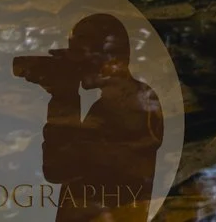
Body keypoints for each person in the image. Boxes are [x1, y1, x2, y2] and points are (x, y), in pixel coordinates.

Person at [13, 13, 164, 222]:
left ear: (113, 63)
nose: (75, 66)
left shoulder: (133, 107)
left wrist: (63, 96)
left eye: (80, 57)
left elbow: (58, 168)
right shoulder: (112, 104)